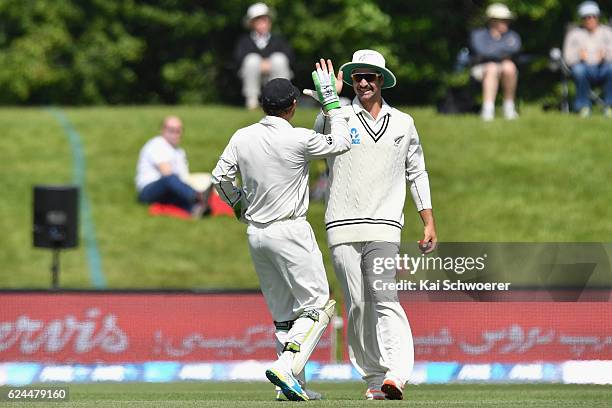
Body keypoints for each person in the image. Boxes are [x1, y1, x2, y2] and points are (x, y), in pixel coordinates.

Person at [211, 63, 350, 401]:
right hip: (290, 231)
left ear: (262, 105)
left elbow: (219, 177)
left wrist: (239, 205)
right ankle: (287, 366)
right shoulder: (299, 137)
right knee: (319, 306)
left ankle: (289, 386)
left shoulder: (242, 136)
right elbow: (344, 142)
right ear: (291, 107)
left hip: (257, 234)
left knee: (284, 316)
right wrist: (331, 100)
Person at [312, 49, 437, 400]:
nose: (364, 83)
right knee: (358, 304)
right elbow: (319, 146)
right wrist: (328, 102)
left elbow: (417, 171)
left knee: (384, 296)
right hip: (342, 223)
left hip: (385, 225)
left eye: (370, 77)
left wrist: (427, 220)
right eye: (357, 77)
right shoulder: (338, 115)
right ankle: (373, 377)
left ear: (382, 80)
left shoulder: (403, 122)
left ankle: (396, 374)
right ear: (351, 81)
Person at [135, 116, 208, 217]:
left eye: (178, 130)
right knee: (170, 179)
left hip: (169, 190)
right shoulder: (156, 144)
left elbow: (183, 178)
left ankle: (197, 209)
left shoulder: (179, 152)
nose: (175, 134)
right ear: (163, 130)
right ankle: (199, 196)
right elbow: (167, 173)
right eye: (171, 130)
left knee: (178, 191)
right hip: (148, 190)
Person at [233, 2, 294, 110]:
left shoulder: (279, 40)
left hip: (275, 73)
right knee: (252, 60)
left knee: (279, 59)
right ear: (252, 23)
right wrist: (260, 64)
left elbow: (290, 58)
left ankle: (282, 100)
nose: (263, 24)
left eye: (265, 20)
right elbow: (238, 60)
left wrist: (269, 64)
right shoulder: (244, 41)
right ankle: (252, 101)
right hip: (251, 75)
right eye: (259, 21)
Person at [470, 3, 521, 121]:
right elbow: (482, 52)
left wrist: (494, 50)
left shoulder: (513, 35)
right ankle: (488, 109)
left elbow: (515, 49)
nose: (506, 23)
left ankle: (509, 107)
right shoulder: (478, 35)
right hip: (481, 69)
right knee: (492, 67)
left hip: (504, 68)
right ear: (492, 21)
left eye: (507, 20)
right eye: (503, 20)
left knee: (509, 66)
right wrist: (502, 51)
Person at [563, 1, 612, 117]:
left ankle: (609, 106)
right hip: (583, 68)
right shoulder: (574, 34)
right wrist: (578, 56)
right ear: (582, 19)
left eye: (592, 16)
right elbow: (567, 57)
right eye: (586, 17)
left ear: (597, 17)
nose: (589, 19)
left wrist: (606, 56)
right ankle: (583, 107)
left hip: (603, 67)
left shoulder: (607, 32)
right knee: (579, 70)